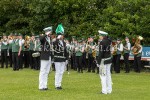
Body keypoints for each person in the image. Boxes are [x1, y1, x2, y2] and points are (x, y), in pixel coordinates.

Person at [53, 24, 68, 90]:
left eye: (62, 35)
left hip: (62, 59)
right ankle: (57, 85)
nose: (63, 36)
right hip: (57, 58)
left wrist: (67, 59)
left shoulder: (64, 42)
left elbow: (65, 51)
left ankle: (59, 84)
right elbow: (54, 45)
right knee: (58, 72)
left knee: (61, 72)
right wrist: (57, 39)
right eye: (61, 35)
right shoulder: (55, 41)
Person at [97, 30, 112, 94]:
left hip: (103, 60)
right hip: (109, 59)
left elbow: (101, 53)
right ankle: (109, 89)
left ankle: (104, 91)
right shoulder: (109, 41)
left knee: (103, 75)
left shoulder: (102, 42)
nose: (99, 36)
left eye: (100, 35)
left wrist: (98, 62)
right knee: (108, 74)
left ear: (102, 36)